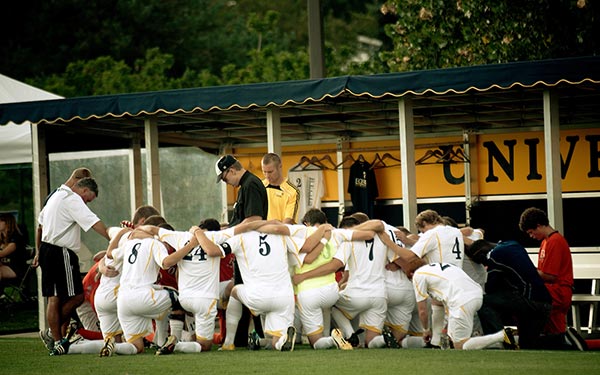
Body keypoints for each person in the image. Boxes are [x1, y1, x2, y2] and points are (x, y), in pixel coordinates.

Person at [34, 177, 110, 355]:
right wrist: (113, 238)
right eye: (88, 199)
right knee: (73, 297)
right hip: (61, 252)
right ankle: (56, 337)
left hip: (47, 249)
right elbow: (93, 222)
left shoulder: (56, 195)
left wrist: (38, 252)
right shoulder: (73, 199)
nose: (86, 203)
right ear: (83, 191)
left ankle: (56, 336)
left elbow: (40, 226)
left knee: (59, 297)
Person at [216, 154, 268, 347]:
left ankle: (254, 337)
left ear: (230, 170)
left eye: (224, 178)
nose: (226, 183)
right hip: (245, 247)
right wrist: (226, 229)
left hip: (250, 249)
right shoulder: (245, 185)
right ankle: (238, 339)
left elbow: (254, 219)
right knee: (240, 291)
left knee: (242, 291)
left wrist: (228, 232)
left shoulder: (250, 185)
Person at [465, 239, 555, 349]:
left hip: (530, 301)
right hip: (545, 303)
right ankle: (562, 341)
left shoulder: (494, 256)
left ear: (482, 255)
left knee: (483, 302)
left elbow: (490, 288)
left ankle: (500, 340)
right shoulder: (513, 244)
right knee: (527, 345)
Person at [411, 260, 518, 350]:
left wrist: (426, 330)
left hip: (461, 300)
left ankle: (501, 336)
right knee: (454, 340)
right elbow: (445, 300)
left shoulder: (418, 275)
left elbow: (422, 310)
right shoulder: (440, 267)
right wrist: (446, 328)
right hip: (476, 295)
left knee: (460, 345)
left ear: (411, 273)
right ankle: (504, 342)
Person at [519, 207, 586, 350]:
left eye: (531, 232)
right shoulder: (546, 241)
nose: (531, 236)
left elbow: (550, 275)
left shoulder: (555, 241)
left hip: (558, 292)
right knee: (553, 332)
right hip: (552, 292)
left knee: (556, 334)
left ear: (538, 225)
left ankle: (575, 345)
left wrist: (526, 270)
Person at [396, 209, 464, 348]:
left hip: (442, 276)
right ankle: (437, 342)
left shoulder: (432, 234)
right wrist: (409, 240)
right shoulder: (455, 231)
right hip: (458, 275)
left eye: (422, 230)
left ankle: (444, 341)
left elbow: (410, 256)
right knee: (439, 306)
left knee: (445, 314)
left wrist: (390, 243)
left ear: (425, 223)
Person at [261, 152, 300, 224]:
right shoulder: (259, 187)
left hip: (281, 232)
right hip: (260, 233)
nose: (267, 175)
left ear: (280, 167)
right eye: (264, 172)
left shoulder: (292, 191)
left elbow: (289, 220)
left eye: (270, 172)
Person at [0, 212, 27, 285]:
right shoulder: (2, 237)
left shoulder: (15, 237)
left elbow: (2, 253)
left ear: (7, 223)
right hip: (5, 266)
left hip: (16, 268)